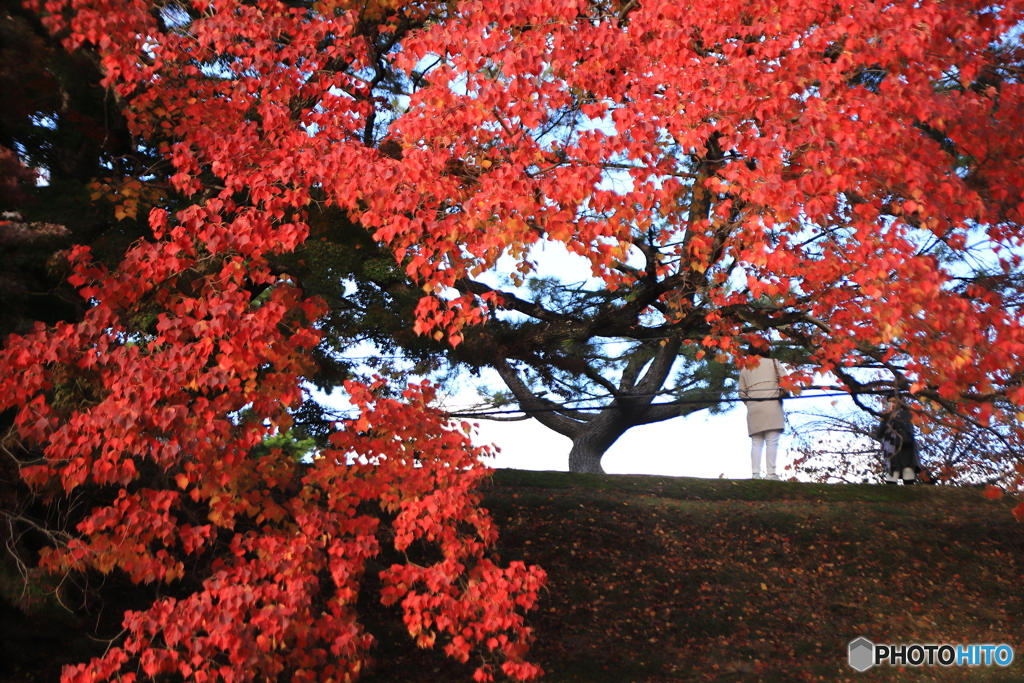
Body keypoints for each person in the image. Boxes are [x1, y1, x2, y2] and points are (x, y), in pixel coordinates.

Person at [738, 348, 786, 480]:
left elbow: (741, 393)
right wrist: (779, 394)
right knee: (772, 441)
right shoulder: (774, 363)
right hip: (772, 405)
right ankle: (771, 473)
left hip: (753, 408)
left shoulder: (745, 368)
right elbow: (787, 383)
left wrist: (750, 402)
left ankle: (755, 473)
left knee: (756, 442)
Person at [873, 395, 920, 484]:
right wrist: (885, 420)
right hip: (891, 450)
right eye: (890, 402)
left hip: (906, 448)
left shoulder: (906, 414)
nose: (892, 404)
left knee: (908, 473)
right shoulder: (886, 417)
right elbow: (879, 434)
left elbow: (907, 428)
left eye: (895, 401)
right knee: (892, 476)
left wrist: (895, 417)